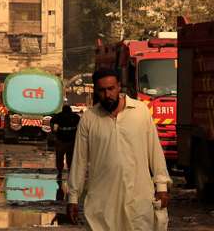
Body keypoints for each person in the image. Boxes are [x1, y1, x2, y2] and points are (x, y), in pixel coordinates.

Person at [67, 68, 170, 230]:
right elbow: (79, 161)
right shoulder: (89, 119)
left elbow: (155, 151)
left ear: (119, 87)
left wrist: (162, 186)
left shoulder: (140, 112)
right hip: (102, 205)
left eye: (111, 89)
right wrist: (73, 198)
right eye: (102, 90)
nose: (107, 95)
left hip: (138, 200)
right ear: (95, 91)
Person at [52, 103, 80, 176]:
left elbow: (52, 121)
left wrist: (54, 132)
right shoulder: (75, 116)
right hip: (71, 140)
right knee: (70, 157)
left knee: (59, 157)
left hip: (61, 140)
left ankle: (60, 171)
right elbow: (81, 124)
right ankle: (70, 170)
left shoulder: (58, 116)